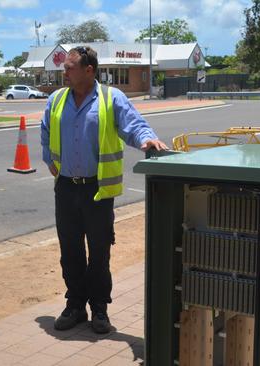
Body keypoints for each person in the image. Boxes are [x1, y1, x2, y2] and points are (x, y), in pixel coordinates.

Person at [40, 46, 167, 334]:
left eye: (70, 67)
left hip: (97, 191)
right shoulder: (57, 99)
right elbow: (45, 130)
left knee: (99, 253)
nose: (65, 72)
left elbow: (134, 125)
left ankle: (99, 309)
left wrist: (148, 140)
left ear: (89, 70)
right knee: (69, 250)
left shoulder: (111, 98)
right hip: (66, 188)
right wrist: (50, 159)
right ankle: (75, 306)